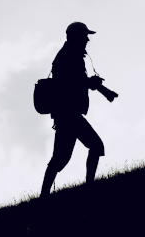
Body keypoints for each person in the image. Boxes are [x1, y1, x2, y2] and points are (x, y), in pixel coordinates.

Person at [40, 22, 117, 198]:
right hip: (68, 114)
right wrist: (97, 86)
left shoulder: (71, 55)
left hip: (68, 114)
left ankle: (44, 197)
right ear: (75, 36)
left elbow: (81, 81)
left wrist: (105, 91)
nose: (87, 39)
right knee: (91, 148)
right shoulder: (69, 56)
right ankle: (87, 188)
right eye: (84, 36)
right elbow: (74, 83)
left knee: (60, 159)